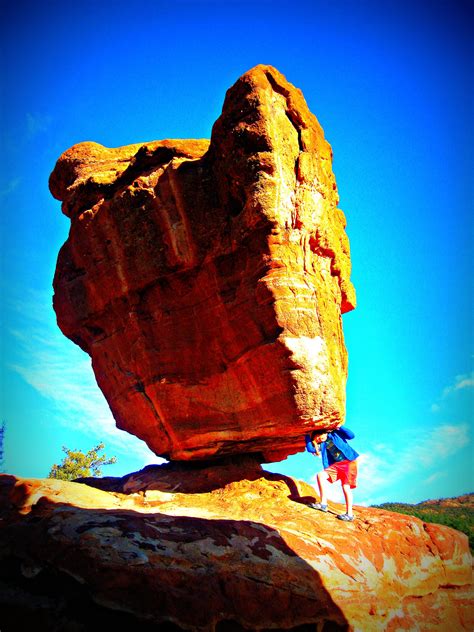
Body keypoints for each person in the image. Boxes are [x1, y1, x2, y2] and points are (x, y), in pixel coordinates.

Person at [305, 426, 359, 521]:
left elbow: (351, 436)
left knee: (345, 487)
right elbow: (310, 449)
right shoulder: (323, 445)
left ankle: (349, 514)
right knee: (320, 475)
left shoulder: (335, 434)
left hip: (349, 462)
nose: (318, 439)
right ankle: (323, 504)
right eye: (316, 440)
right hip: (337, 466)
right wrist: (307, 436)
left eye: (317, 436)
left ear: (322, 432)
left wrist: (340, 427)